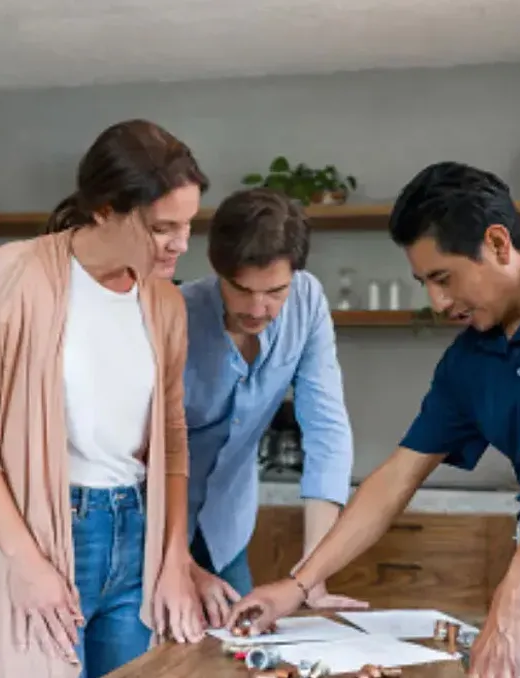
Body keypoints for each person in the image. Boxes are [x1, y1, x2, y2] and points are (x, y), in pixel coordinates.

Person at [226, 162, 520, 678]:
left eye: (443, 278)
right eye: (425, 282)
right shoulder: (470, 358)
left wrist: (511, 606)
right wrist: (297, 585)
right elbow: (397, 476)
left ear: (497, 244)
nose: (437, 302)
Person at [0, 119, 212, 678]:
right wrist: (26, 563)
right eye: (163, 228)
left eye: (188, 225)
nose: (182, 244)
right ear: (106, 210)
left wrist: (174, 559)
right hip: (46, 539)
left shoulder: (165, 303)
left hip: (138, 538)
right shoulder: (13, 274)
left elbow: (172, 440)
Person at [174, 188, 366, 626]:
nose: (258, 308)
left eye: (276, 291)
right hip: (152, 532)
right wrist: (179, 565)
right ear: (218, 270)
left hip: (226, 528)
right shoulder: (178, 314)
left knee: (239, 647)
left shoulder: (307, 302)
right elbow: (143, 455)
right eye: (241, 289)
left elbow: (327, 430)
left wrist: (312, 575)